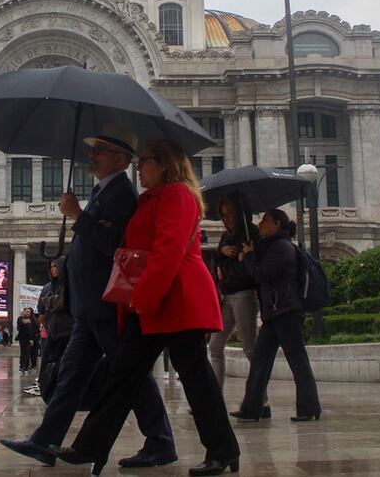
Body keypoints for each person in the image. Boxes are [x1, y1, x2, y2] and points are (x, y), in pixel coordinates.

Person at [53, 139, 240, 476]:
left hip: (177, 300)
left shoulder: (177, 195)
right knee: (122, 373)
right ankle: (90, 446)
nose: (138, 167)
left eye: (146, 161)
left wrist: (142, 298)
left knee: (196, 378)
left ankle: (223, 450)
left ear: (165, 164)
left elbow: (167, 254)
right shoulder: (149, 199)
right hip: (154, 301)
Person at [1, 125, 175, 470]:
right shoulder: (101, 192)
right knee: (71, 374)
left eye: (100, 149)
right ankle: (44, 440)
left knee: (130, 373)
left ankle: (161, 441)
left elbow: (117, 246)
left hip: (106, 303)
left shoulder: (123, 194)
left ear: (122, 158)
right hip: (89, 305)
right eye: (92, 149)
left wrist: (79, 216)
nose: (91, 154)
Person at [231, 209, 321, 423]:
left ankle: (309, 408)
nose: (260, 224)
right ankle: (252, 407)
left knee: (297, 360)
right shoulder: (272, 246)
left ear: (277, 224)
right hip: (274, 312)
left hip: (286, 311)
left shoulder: (282, 247)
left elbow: (262, 274)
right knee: (260, 361)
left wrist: (251, 256)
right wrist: (249, 254)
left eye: (265, 221)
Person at [207, 195, 266, 416]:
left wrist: (243, 258)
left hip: (243, 294)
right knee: (215, 345)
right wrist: (221, 253)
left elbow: (251, 268)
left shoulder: (252, 234)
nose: (226, 219)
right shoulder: (226, 237)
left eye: (230, 214)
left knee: (250, 348)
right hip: (227, 295)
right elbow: (219, 262)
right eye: (223, 215)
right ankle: (214, 398)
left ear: (240, 212)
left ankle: (262, 400)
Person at [33, 257, 74, 399]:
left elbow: (58, 303)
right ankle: (47, 386)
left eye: (55, 266)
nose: (52, 269)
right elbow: (42, 308)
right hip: (53, 330)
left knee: (66, 361)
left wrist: (49, 301)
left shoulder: (69, 285)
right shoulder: (49, 287)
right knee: (48, 360)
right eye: (51, 267)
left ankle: (65, 387)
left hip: (68, 330)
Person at [16, 307, 39, 374]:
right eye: (26, 311)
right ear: (23, 311)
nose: (27, 313)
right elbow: (26, 327)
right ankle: (23, 367)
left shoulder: (33, 319)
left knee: (32, 353)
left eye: (29, 312)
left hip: (33, 339)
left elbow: (36, 329)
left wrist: (32, 338)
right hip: (24, 339)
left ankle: (31, 367)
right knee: (24, 353)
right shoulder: (20, 318)